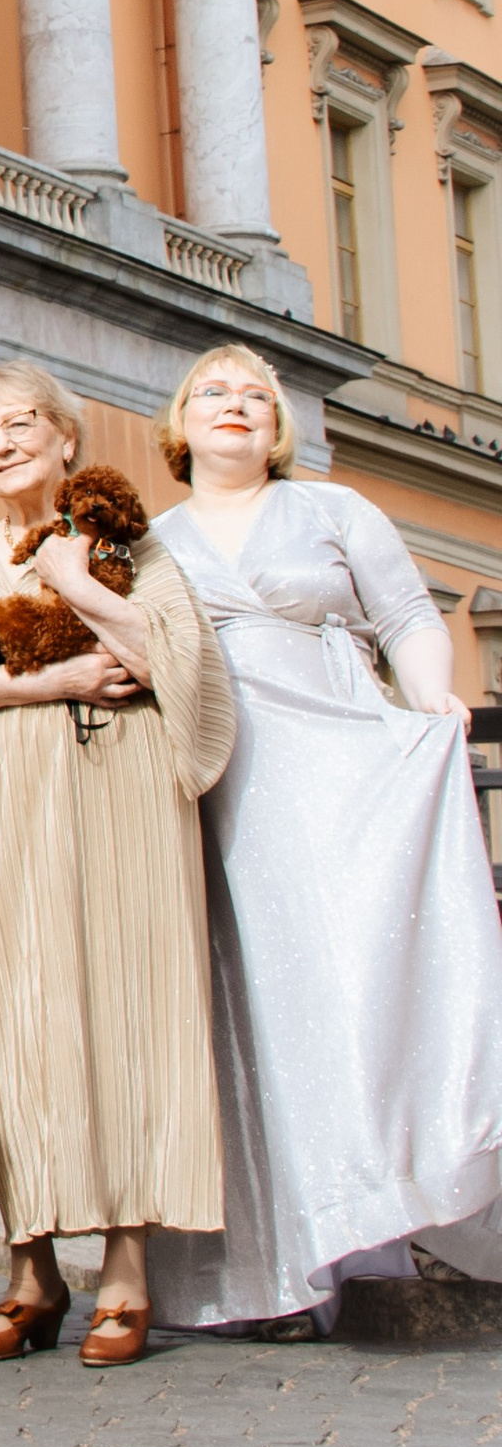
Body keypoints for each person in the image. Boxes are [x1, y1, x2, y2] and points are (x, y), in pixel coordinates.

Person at [146, 348, 502, 1334]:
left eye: (257, 396)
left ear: (278, 429)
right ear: (180, 423)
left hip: (342, 762)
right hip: (232, 780)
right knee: (265, 997)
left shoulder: (336, 512)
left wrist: (432, 695)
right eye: (213, 391)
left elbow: (404, 617)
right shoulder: (149, 540)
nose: (237, 406)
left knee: (360, 979)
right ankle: (275, 1260)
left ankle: (386, 1192)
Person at [0, 361, 234, 1370]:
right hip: (11, 813)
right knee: (13, 1026)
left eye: (18, 424)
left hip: (128, 804)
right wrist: (61, 676)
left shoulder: (134, 547)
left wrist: (84, 593)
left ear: (66, 439)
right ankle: (31, 1268)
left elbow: (180, 661)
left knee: (133, 1014)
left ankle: (126, 1270)